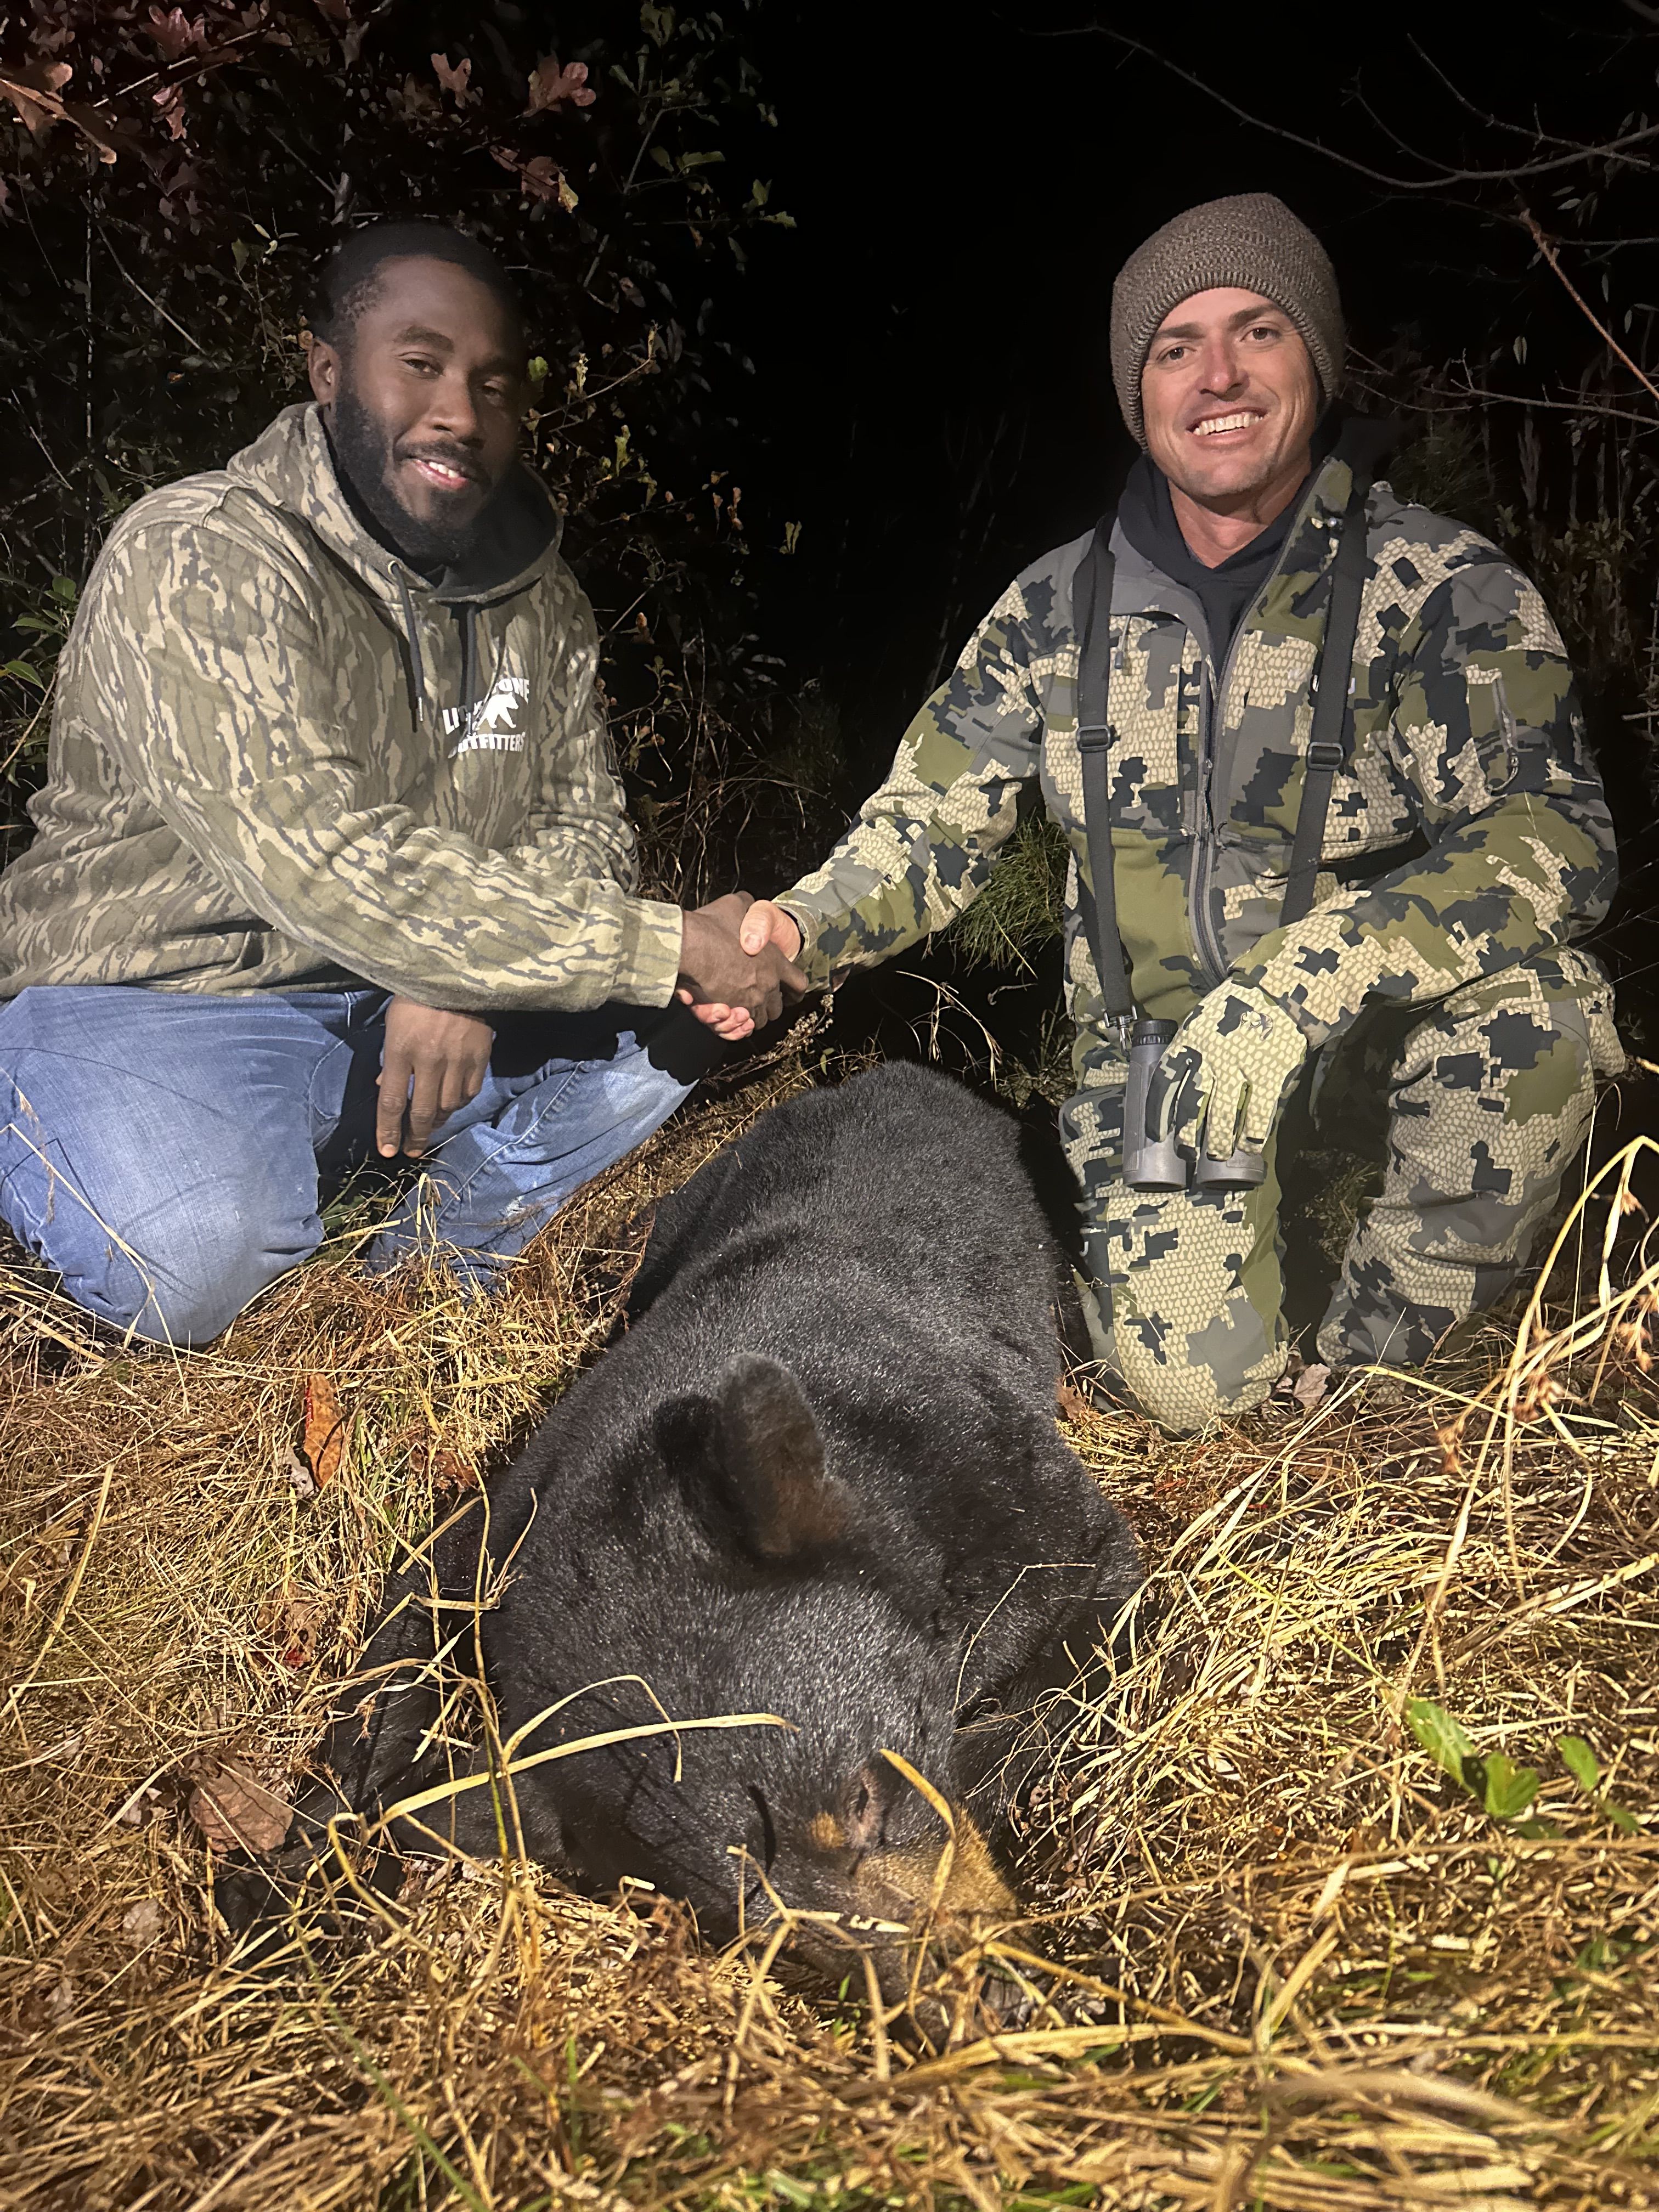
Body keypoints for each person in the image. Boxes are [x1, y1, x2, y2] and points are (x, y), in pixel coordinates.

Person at [698, 193, 1622, 1432]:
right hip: (1167, 1061)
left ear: (1317, 360)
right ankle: (1216, 1324)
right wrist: (801, 930)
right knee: (1189, 1396)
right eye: (1177, 347)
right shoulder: (1054, 610)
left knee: (1536, 1023)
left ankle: (1374, 1393)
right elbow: (929, 825)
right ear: (1139, 395)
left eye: (1259, 332)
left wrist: (1299, 990)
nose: (1219, 376)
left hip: (1367, 1028)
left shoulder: (1441, 588)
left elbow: (1553, 835)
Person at [0, 219, 802, 1348]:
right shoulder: (199, 552)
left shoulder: (542, 598)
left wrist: (468, 980)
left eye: (493, 385)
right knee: (184, 1270)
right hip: (160, 998)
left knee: (685, 1026)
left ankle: (424, 1251)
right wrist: (658, 942)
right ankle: (77, 1125)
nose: (460, 413)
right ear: (328, 370)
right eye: (420, 364)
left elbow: (583, 830)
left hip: (402, 995)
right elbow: (321, 857)